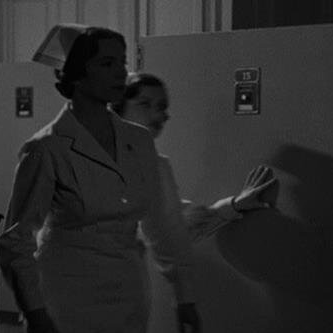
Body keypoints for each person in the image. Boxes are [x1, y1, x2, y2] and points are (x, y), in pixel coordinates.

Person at [0, 25, 199, 333]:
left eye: (122, 62)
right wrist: (36, 317)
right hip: (66, 307)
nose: (120, 72)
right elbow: (16, 242)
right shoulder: (47, 148)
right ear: (76, 73)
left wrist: (185, 295)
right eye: (106, 63)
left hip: (125, 303)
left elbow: (163, 225)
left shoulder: (138, 142)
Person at [112, 72, 279, 244]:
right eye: (144, 104)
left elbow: (187, 224)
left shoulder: (157, 165)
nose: (158, 115)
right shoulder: (105, 161)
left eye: (161, 107)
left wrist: (236, 204)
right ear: (118, 109)